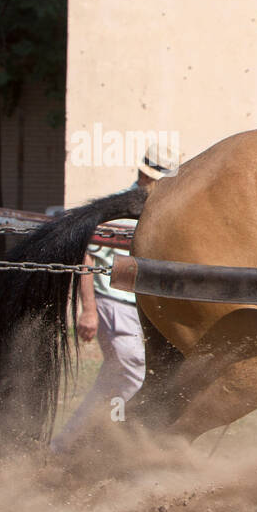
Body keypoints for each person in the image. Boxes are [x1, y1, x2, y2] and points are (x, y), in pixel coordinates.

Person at [52, 142, 180, 451]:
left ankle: (75, 444)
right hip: (112, 303)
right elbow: (87, 258)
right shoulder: (121, 213)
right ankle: (96, 442)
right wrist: (89, 311)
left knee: (121, 376)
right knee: (130, 369)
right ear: (145, 176)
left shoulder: (156, 213)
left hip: (133, 308)